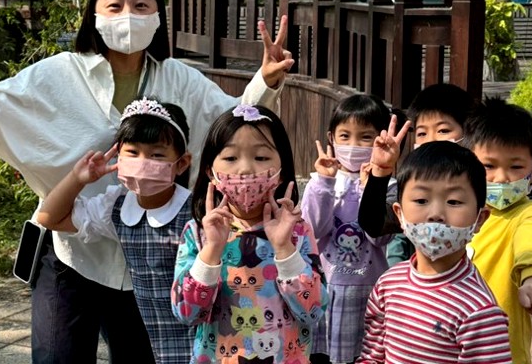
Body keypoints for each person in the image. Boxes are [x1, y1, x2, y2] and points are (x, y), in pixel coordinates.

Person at [0, 0, 294, 361]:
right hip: (73, 249)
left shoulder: (180, 79)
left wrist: (266, 80)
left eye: (141, 5)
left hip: (154, 256)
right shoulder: (58, 75)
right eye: (115, 4)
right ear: (94, 14)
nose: (128, 15)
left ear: (158, 17)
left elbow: (235, 127)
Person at [36, 99, 194, 364]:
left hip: (198, 340)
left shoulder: (196, 212)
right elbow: (49, 217)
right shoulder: (118, 207)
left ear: (181, 163)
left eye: (157, 155)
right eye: (132, 152)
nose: (143, 162)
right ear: (119, 156)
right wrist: (78, 178)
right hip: (147, 340)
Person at [171, 105, 327, 363]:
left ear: (282, 171)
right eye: (231, 158)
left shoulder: (297, 232)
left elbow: (314, 310)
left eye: (262, 158)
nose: (245, 169)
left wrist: (284, 250)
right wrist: (212, 250)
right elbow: (186, 313)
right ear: (211, 171)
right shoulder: (198, 233)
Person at [364, 83, 532, 268]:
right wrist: (380, 171)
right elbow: (374, 224)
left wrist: (528, 156)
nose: (432, 140)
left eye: (443, 130)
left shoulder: (509, 196)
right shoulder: (417, 187)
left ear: (469, 134)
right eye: (422, 133)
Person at [356, 141, 512, 364]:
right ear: (399, 214)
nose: (436, 213)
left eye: (454, 201)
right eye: (421, 200)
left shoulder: (480, 312)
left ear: (480, 219)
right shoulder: (388, 284)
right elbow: (372, 355)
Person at [300, 95, 405, 364]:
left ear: (382, 138)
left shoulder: (389, 187)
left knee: (365, 356)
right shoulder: (319, 181)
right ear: (331, 137)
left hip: (367, 291)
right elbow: (312, 230)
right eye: (345, 136)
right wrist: (324, 183)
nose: (353, 146)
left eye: (365, 137)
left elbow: (378, 237)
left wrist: (370, 187)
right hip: (325, 290)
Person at [462, 97, 532, 364]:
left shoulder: (529, 213)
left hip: (501, 349)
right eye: (488, 166)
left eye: (516, 167)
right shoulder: (457, 209)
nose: (501, 177)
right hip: (450, 338)